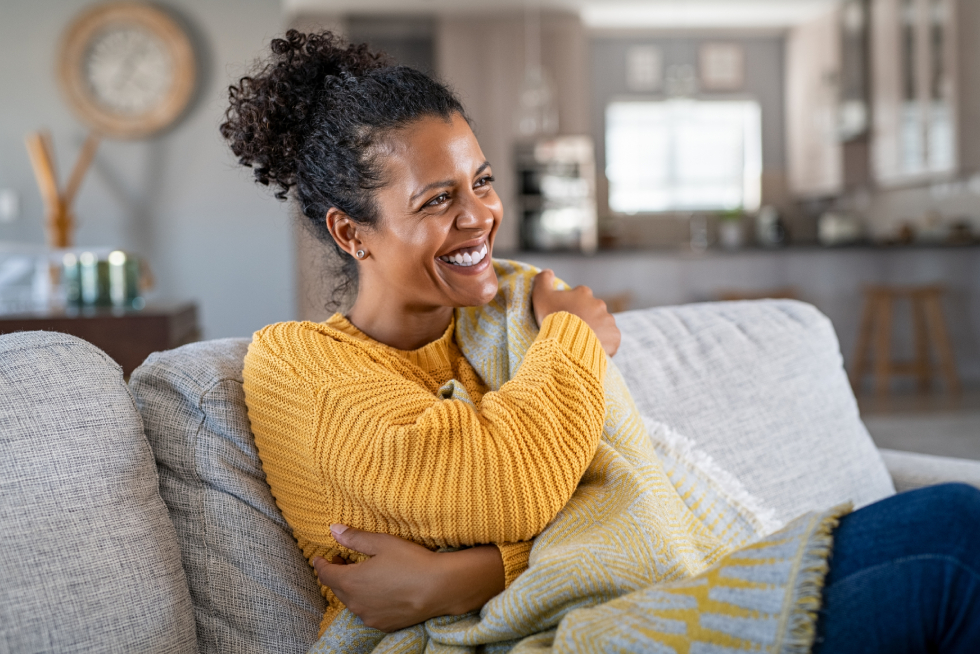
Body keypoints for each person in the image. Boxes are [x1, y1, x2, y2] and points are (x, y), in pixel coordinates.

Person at [222, 30, 980, 653]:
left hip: (636, 598)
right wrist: (577, 338)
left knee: (956, 522)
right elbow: (500, 482)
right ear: (351, 232)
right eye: (438, 199)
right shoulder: (296, 362)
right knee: (953, 539)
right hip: (520, 640)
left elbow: (615, 487)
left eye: (482, 182)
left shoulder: (506, 314)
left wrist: (469, 573)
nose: (480, 217)